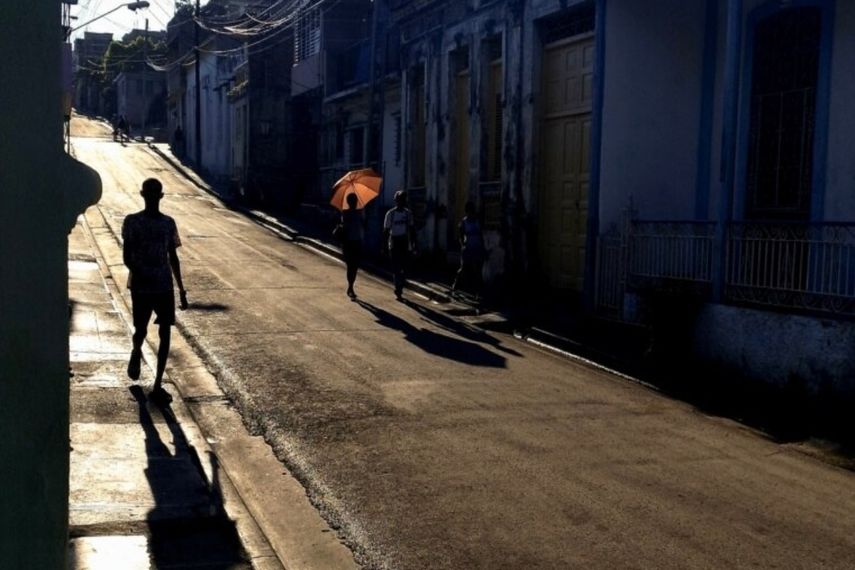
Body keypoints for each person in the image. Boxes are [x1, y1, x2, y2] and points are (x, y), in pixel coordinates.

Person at [122, 178, 188, 404]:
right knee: (149, 331)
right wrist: (181, 290)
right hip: (151, 285)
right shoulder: (139, 222)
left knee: (158, 331)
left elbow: (129, 258)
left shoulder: (158, 223)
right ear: (160, 196)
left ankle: (157, 381)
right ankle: (139, 354)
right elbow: (128, 257)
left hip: (155, 285)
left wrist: (180, 289)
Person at [383, 190, 417, 300]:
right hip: (394, 242)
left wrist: (414, 244)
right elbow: (386, 231)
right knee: (396, 267)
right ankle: (398, 287)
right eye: (399, 199)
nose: (401, 202)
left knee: (405, 267)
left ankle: (400, 283)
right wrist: (384, 245)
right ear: (396, 201)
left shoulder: (408, 214)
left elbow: (412, 230)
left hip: (405, 242)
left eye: (403, 199)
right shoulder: (390, 214)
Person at [451, 201, 486, 299]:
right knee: (464, 269)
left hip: (477, 248)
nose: (471, 213)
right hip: (468, 249)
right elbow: (461, 236)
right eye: (470, 211)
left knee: (478, 270)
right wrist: (463, 245)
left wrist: (483, 248)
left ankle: (478, 292)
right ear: (467, 211)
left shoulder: (477, 221)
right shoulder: (464, 222)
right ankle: (456, 286)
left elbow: (481, 235)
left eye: (472, 210)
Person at [341, 192, 364, 299]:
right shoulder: (345, 213)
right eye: (352, 201)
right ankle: (350, 286)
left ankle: (351, 286)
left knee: (354, 266)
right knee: (350, 266)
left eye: (355, 201)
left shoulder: (360, 212)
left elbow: (364, 225)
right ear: (349, 202)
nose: (354, 203)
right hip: (348, 242)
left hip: (357, 241)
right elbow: (344, 226)